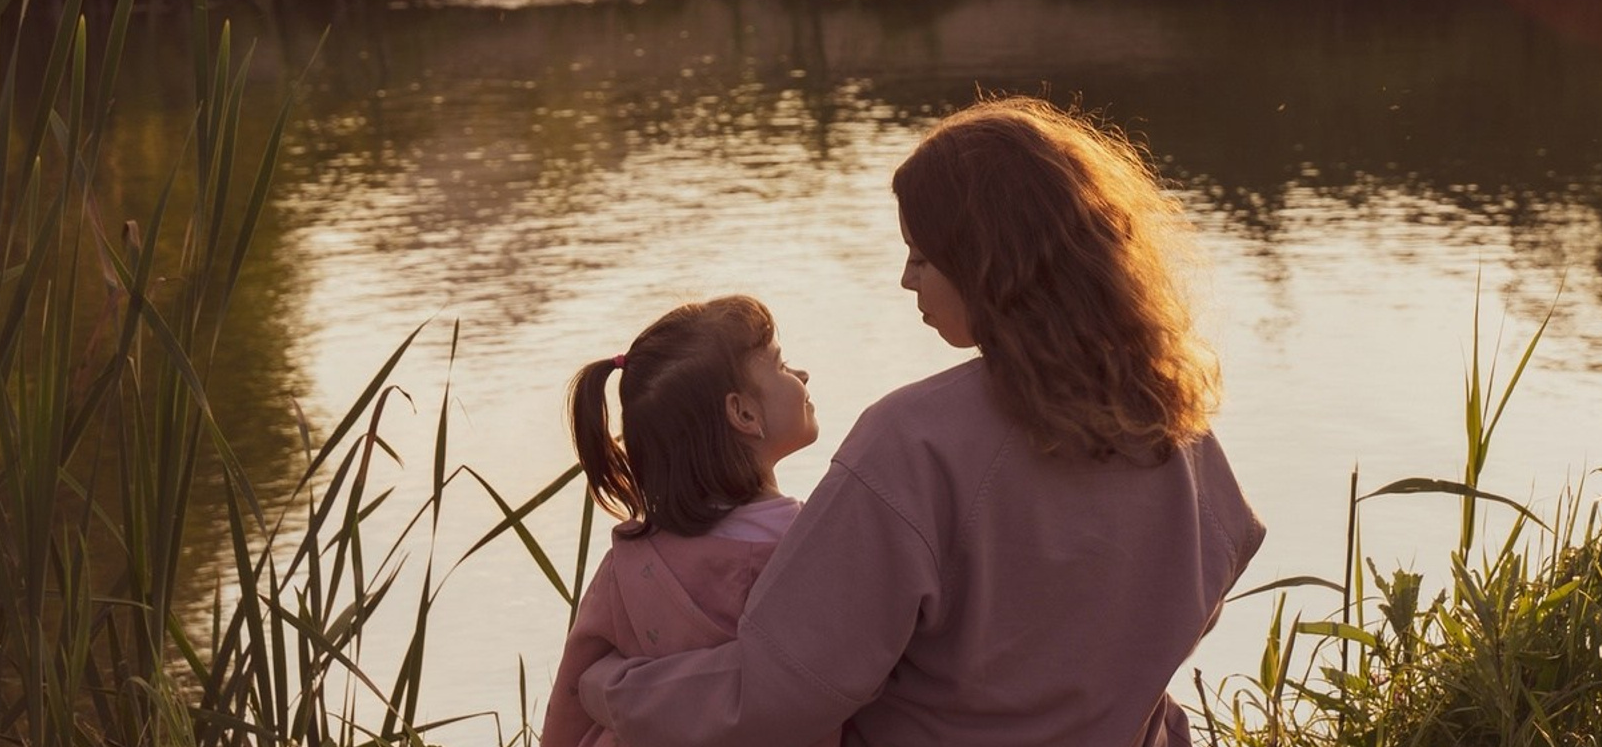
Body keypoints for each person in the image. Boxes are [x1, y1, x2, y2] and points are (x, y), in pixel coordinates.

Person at [581, 99, 1265, 747]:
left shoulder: (912, 441)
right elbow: (1223, 560)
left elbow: (779, 690)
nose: (907, 280)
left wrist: (612, 687)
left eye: (922, 256)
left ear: (989, 263)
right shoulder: (1173, 421)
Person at [539, 296, 824, 747]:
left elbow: (572, 694)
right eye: (782, 365)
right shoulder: (810, 545)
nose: (802, 375)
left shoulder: (629, 563)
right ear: (743, 414)